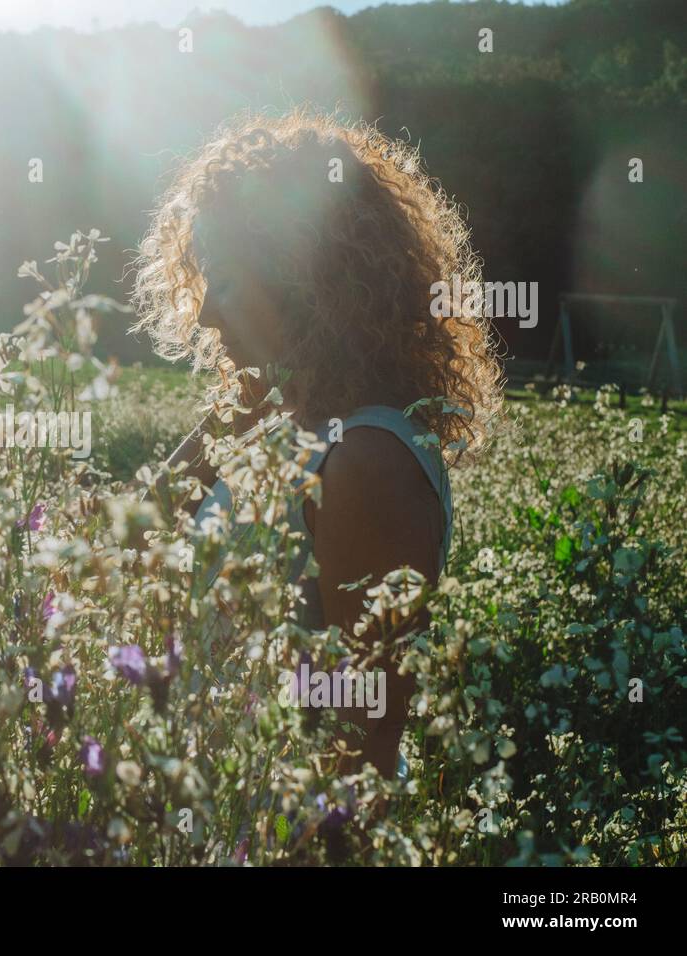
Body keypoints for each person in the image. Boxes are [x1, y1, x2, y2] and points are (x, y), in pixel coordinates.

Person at [132, 109, 503, 778]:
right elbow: (130, 549)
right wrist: (238, 413)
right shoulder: (266, 424)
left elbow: (367, 740)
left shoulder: (367, 461)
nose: (208, 311)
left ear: (313, 286)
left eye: (230, 279)